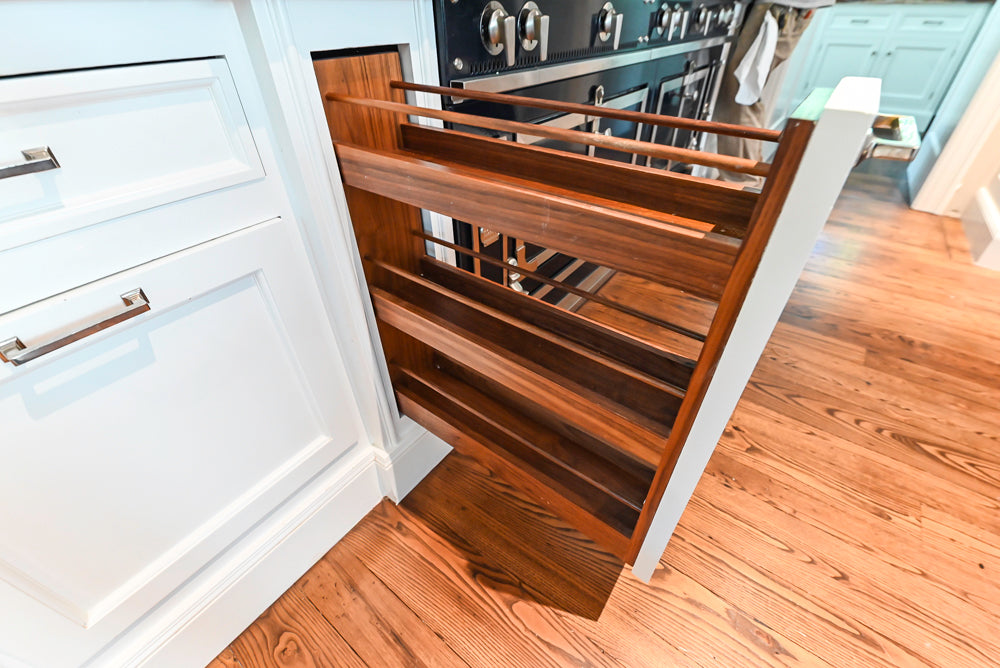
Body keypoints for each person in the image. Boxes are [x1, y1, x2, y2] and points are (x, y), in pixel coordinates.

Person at [713, 0, 836, 187]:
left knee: (741, 97)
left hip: (777, 11)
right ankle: (748, 178)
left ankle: (742, 184)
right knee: (746, 97)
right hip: (785, 11)